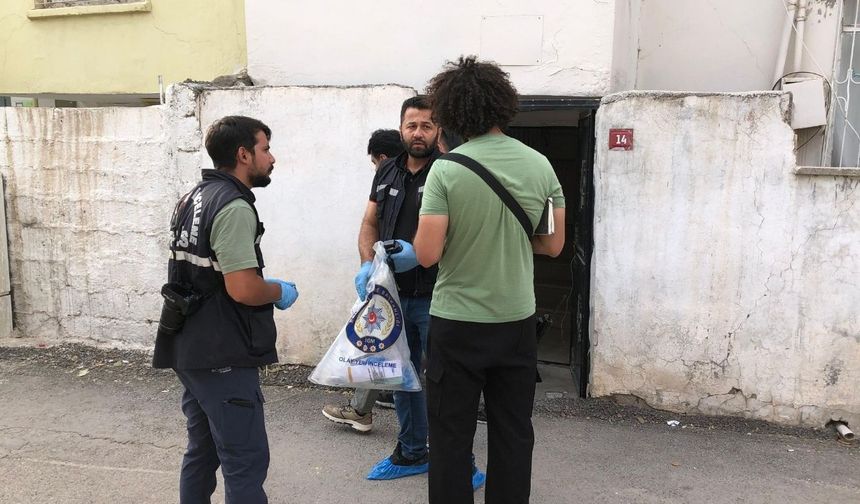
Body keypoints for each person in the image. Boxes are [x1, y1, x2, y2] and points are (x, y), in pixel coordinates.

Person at [415, 56, 566, 504]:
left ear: (452, 113)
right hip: (516, 321)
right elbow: (554, 244)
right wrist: (511, 242)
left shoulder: (446, 169)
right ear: (502, 104)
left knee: (450, 434)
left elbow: (427, 254)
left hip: (457, 323)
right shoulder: (539, 165)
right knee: (513, 431)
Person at [153, 115, 299, 504]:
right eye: (265, 149)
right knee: (245, 458)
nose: (272, 158)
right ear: (243, 154)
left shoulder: (192, 198)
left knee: (203, 451)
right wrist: (278, 290)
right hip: (222, 351)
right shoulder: (233, 206)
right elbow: (243, 288)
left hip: (191, 345)